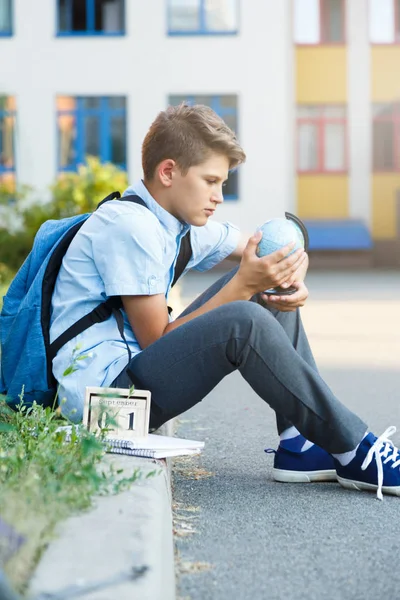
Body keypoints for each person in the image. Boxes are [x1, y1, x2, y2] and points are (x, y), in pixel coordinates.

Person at [50, 103, 400, 500]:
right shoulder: (131, 227)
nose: (219, 197)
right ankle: (356, 448)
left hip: (128, 388)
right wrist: (243, 287)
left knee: (263, 278)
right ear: (168, 172)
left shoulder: (175, 221)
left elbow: (262, 248)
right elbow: (157, 344)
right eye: (211, 181)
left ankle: (299, 445)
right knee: (243, 321)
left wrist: (289, 276)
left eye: (223, 183)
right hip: (104, 408)